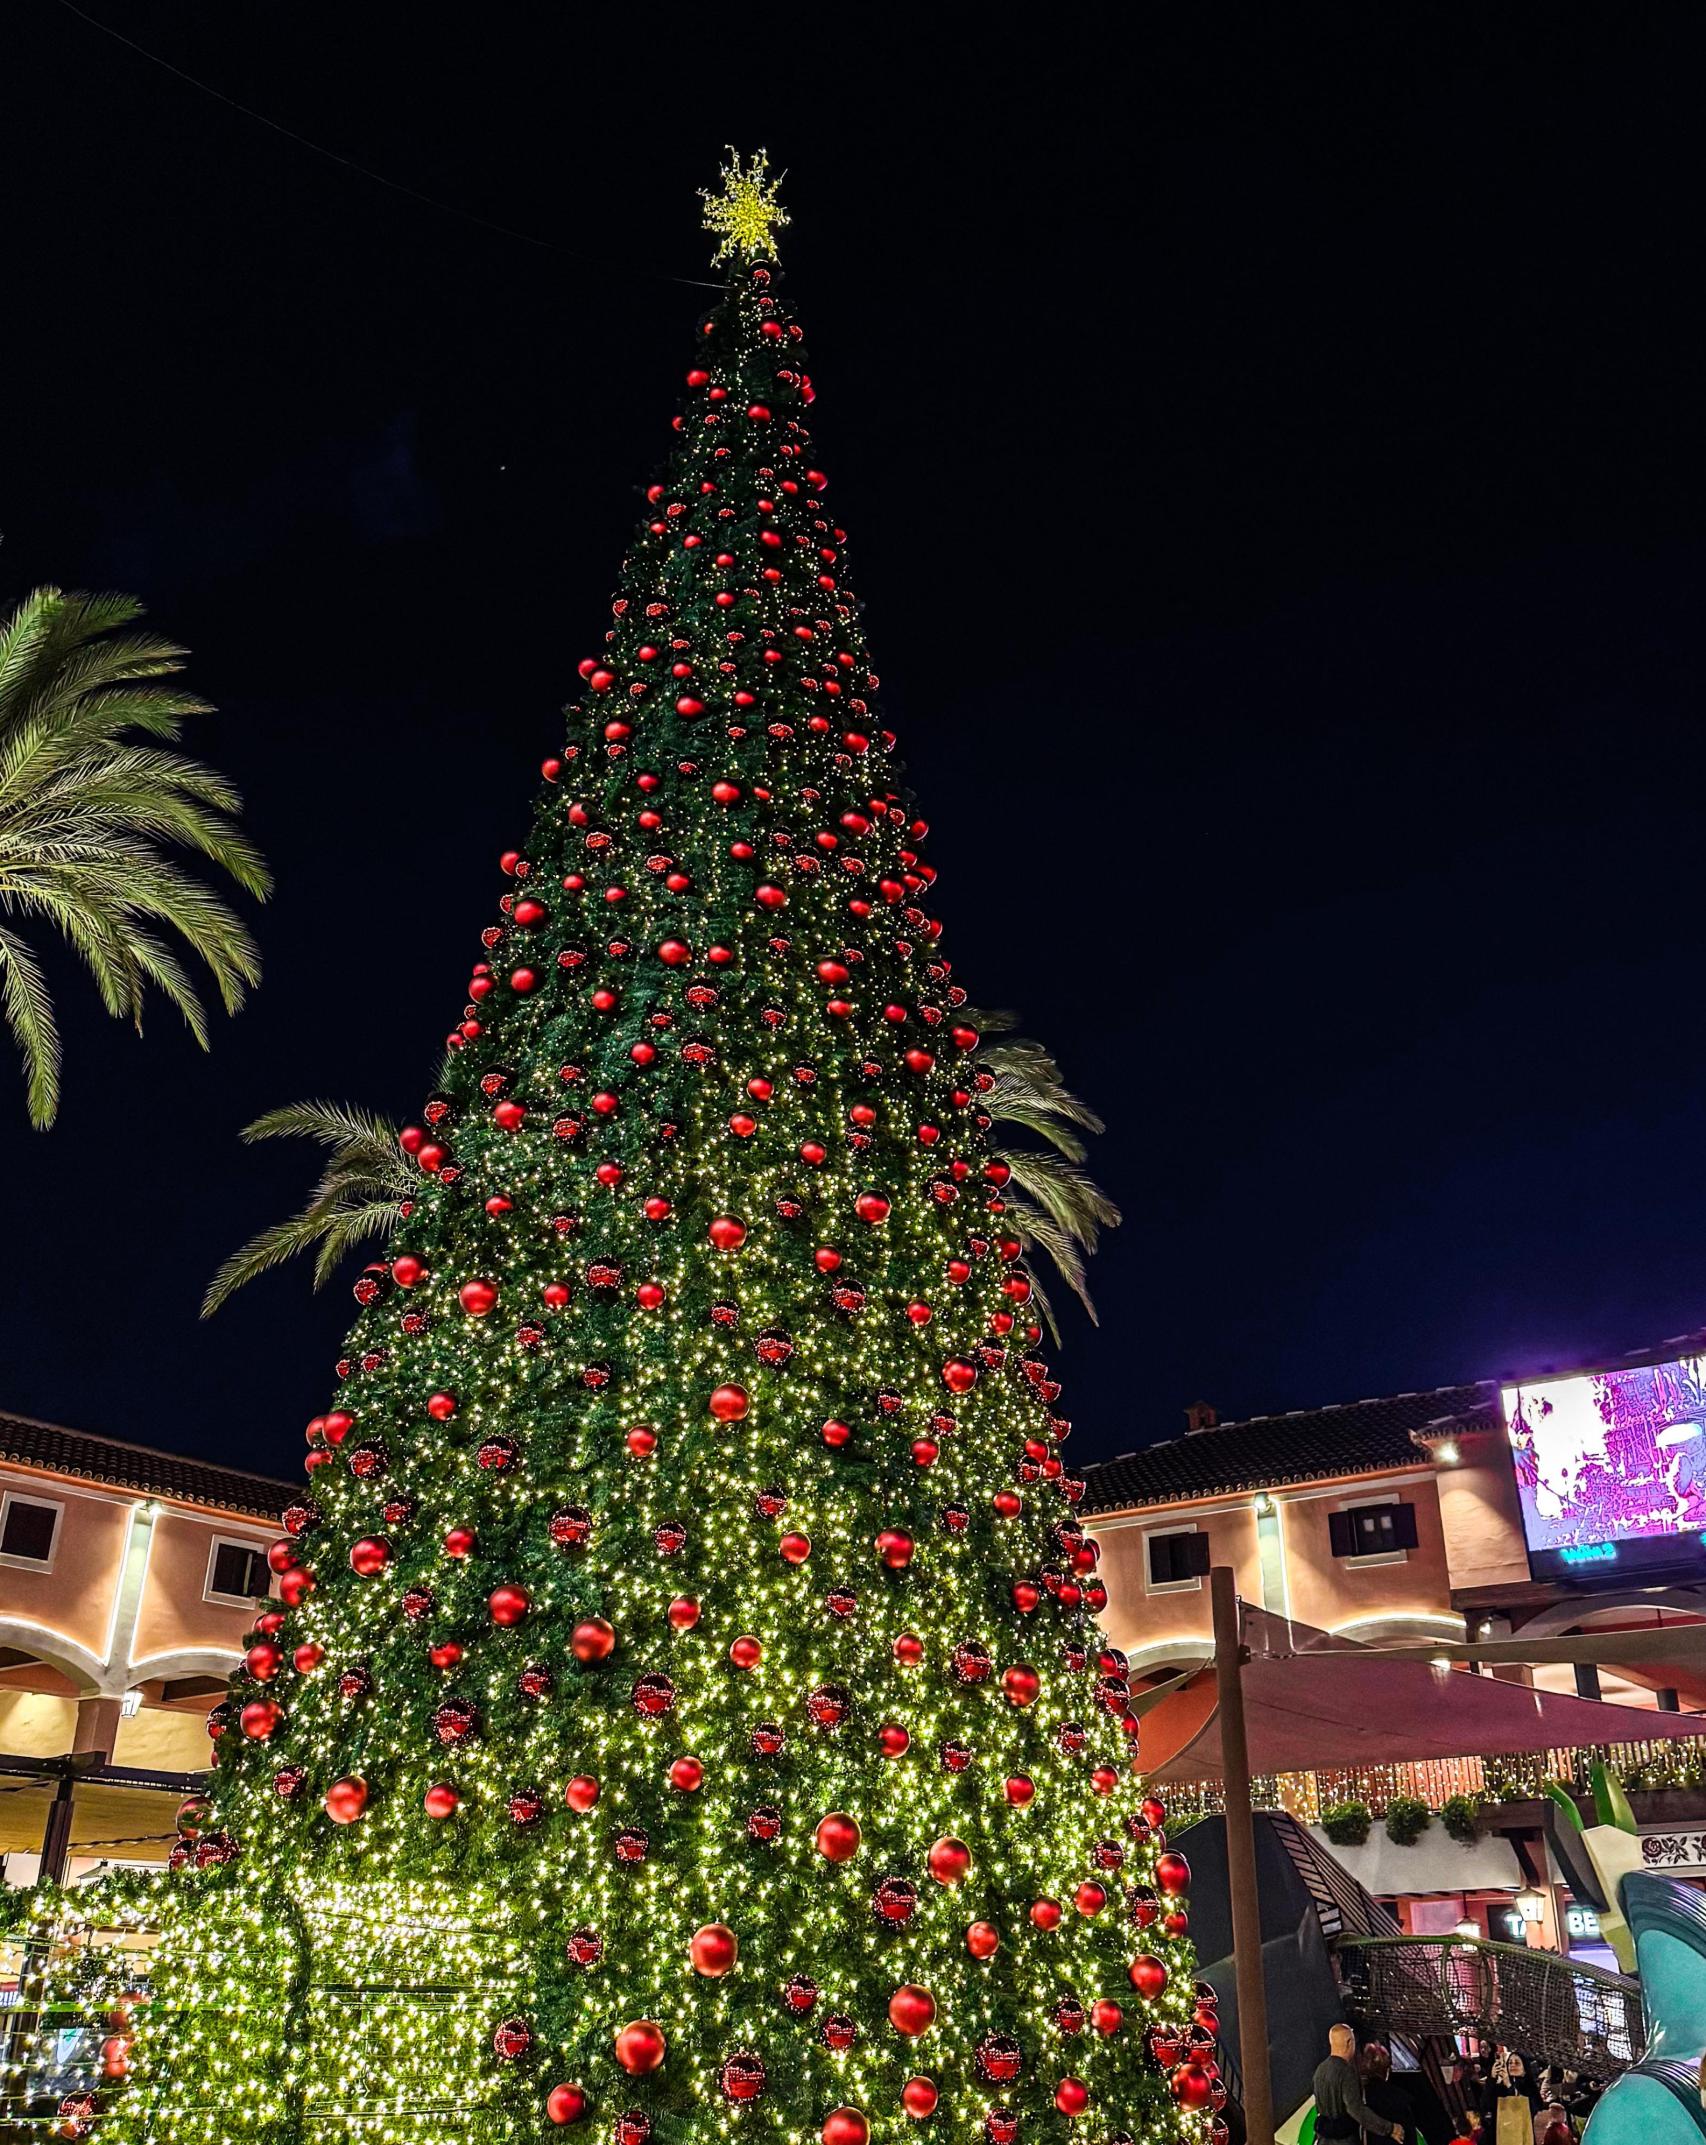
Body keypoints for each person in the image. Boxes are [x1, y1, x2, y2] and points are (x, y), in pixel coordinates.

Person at [1314, 2024, 1404, 2142]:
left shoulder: (1320, 2070)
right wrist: (1390, 2129)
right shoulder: (1346, 2072)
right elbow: (1356, 2110)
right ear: (1349, 2042)